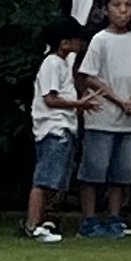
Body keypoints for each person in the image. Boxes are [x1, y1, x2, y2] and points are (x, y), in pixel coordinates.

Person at [74, 0, 131, 239]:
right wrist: (118, 99)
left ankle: (115, 218)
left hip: (126, 120)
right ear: (106, 9)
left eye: (128, 6)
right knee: (94, 170)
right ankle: (89, 219)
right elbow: (90, 77)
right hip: (102, 117)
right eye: (117, 5)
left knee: (121, 173)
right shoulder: (100, 40)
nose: (123, 11)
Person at [22, 17, 89, 244]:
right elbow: (50, 99)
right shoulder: (51, 63)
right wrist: (79, 104)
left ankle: (41, 222)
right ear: (64, 43)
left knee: (56, 180)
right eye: (75, 39)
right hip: (54, 128)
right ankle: (32, 225)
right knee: (44, 180)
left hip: (63, 127)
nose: (79, 43)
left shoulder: (61, 63)